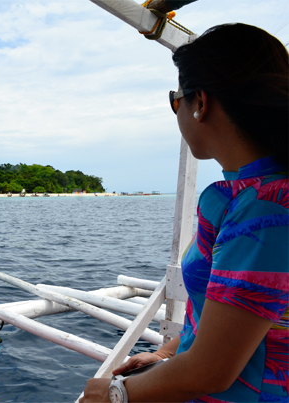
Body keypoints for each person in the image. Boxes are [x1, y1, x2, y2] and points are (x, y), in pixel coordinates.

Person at [81, 23, 288, 402]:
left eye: (177, 99)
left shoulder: (266, 208)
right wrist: (165, 353)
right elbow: (237, 325)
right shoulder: (252, 195)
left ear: (201, 104)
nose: (178, 110)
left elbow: (212, 371)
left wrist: (115, 393)